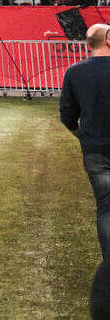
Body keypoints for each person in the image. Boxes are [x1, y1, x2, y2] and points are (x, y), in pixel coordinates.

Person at [62, 23, 110, 264]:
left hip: (95, 150)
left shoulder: (75, 71)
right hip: (96, 149)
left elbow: (67, 116)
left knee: (107, 208)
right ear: (108, 40)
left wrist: (82, 136)